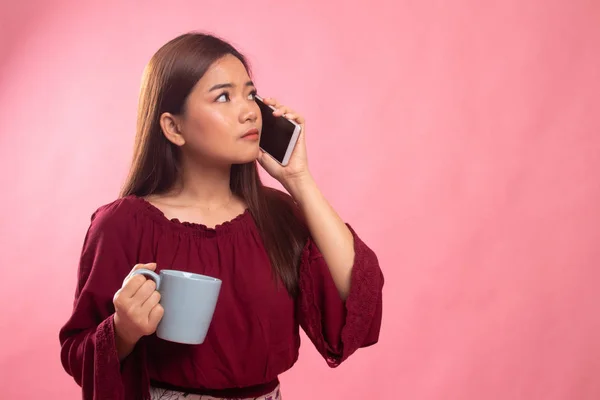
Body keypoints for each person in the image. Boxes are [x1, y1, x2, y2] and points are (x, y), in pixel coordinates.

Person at [59, 32, 384, 400]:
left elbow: (356, 298)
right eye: (224, 97)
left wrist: (299, 180)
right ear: (173, 127)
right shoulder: (121, 225)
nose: (249, 111)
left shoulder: (278, 214)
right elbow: (76, 352)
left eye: (250, 93)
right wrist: (122, 330)